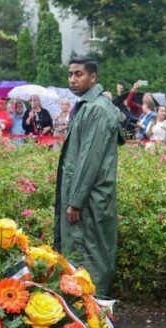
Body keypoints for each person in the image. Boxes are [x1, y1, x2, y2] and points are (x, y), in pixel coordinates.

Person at [54, 57, 121, 297]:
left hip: (89, 201)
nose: (73, 79)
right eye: (70, 74)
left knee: (89, 257)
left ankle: (93, 317)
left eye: (79, 74)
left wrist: (76, 200)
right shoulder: (86, 106)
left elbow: (89, 160)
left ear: (93, 77)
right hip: (83, 199)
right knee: (77, 255)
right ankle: (80, 317)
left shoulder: (97, 109)